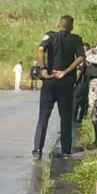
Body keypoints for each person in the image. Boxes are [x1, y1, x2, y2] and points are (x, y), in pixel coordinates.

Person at [32, 15, 86, 159]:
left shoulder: (50, 36)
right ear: (71, 26)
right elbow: (81, 57)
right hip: (66, 83)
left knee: (43, 116)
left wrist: (43, 68)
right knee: (66, 117)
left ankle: (37, 149)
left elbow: (41, 48)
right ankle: (66, 149)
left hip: (49, 81)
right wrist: (66, 71)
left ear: (58, 24)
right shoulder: (76, 39)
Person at [72, 43, 91, 123]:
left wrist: (74, 82)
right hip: (89, 83)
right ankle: (82, 118)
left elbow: (79, 72)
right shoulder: (91, 59)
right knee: (85, 101)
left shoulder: (82, 60)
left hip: (82, 81)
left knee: (76, 100)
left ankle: (73, 118)